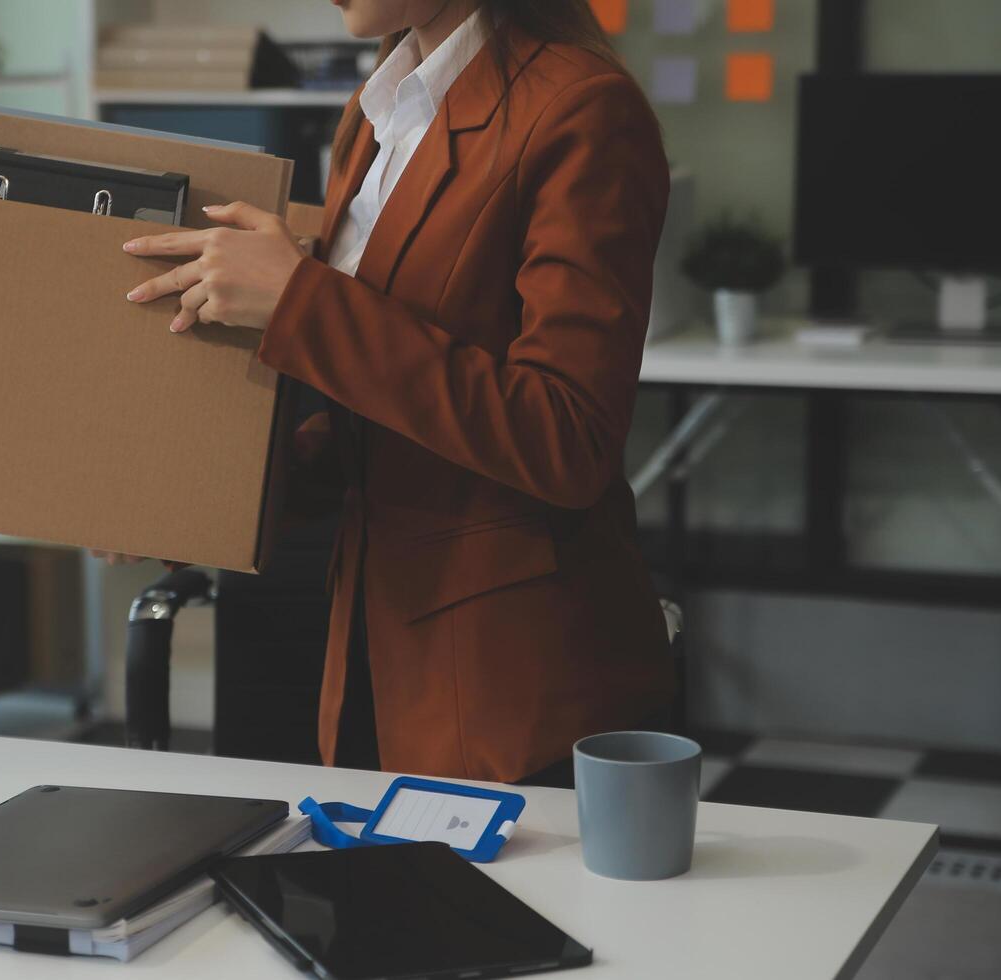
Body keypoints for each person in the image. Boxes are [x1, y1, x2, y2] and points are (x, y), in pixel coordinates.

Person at [107, 0, 674, 788]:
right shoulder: (377, 112)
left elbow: (567, 436)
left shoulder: (582, 108)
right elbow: (368, 431)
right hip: (376, 654)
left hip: (516, 684)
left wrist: (302, 300)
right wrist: (188, 507)